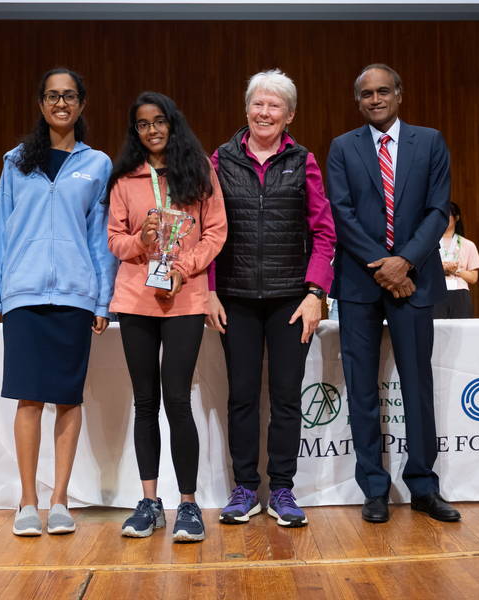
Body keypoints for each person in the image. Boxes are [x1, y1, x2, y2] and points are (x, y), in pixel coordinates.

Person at [0, 68, 117, 538]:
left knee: (68, 398)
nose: (61, 103)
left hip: (76, 297)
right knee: (29, 398)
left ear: (81, 104)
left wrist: (102, 299)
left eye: (70, 96)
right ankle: (27, 501)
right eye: (53, 96)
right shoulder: (16, 162)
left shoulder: (97, 164)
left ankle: (60, 501)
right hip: (24, 296)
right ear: (41, 103)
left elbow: (100, 238)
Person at [326, 64, 460, 523]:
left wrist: (405, 261)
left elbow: (438, 210)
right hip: (359, 283)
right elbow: (342, 214)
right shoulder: (342, 147)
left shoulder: (431, 141)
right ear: (358, 101)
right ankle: (374, 489)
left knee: (417, 385)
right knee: (362, 389)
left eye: (383, 91)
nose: (376, 99)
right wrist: (385, 266)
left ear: (399, 95)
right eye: (367, 94)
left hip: (414, 279)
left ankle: (423, 486)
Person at [207, 69, 336, 528]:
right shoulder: (220, 160)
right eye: (258, 104)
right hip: (235, 298)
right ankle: (245, 488)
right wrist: (209, 292)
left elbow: (324, 233)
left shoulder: (303, 160)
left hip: (291, 301)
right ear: (247, 109)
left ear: (289, 115)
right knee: (242, 397)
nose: (264, 112)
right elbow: (207, 230)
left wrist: (316, 292)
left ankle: (282, 488)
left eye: (274, 105)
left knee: (285, 397)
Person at [107, 92, 227, 542]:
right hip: (135, 299)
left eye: (159, 121)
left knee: (177, 400)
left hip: (185, 297)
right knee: (145, 402)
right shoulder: (124, 179)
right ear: (135, 131)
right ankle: (149, 502)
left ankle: (188, 505)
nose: (152, 130)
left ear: (172, 124)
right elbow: (114, 240)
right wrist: (140, 240)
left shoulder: (199, 171)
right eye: (143, 124)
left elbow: (215, 232)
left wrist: (183, 268)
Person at [433, 202, 479, 319]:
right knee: (436, 329)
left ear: (457, 218)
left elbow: (473, 278)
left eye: (447, 214)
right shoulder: (431, 244)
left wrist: (456, 270)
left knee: (461, 329)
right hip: (436, 292)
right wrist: (440, 269)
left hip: (460, 294)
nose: (443, 217)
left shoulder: (468, 245)